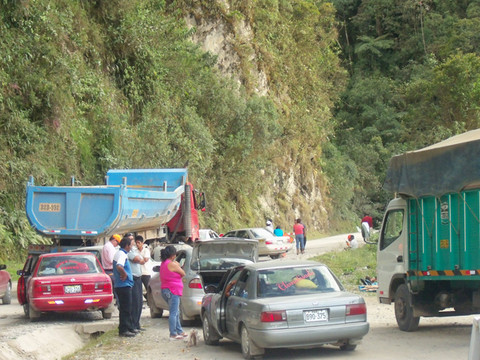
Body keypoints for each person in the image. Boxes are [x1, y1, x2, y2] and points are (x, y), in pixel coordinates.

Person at [160, 245, 187, 341]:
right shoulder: (171, 264)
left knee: (176, 311)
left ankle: (179, 331)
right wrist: (177, 265)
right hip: (173, 290)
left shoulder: (164, 263)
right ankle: (173, 334)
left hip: (167, 290)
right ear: (173, 255)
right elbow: (183, 273)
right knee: (173, 312)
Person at [113, 235, 136, 337]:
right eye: (130, 245)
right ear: (127, 245)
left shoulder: (119, 253)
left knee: (127, 308)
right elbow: (119, 266)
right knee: (125, 308)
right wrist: (124, 274)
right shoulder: (122, 254)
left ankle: (129, 327)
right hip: (123, 285)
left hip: (122, 285)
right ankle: (124, 329)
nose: (131, 247)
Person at [127, 233, 146, 332]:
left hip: (139, 277)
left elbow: (143, 260)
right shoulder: (128, 252)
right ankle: (133, 325)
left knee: (139, 302)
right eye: (130, 239)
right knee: (134, 302)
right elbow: (137, 259)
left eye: (132, 239)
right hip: (133, 277)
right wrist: (140, 259)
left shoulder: (134, 250)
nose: (132, 242)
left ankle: (137, 324)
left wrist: (140, 259)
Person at [102, 234, 121, 304]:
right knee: (117, 290)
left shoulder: (106, 246)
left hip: (107, 270)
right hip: (111, 270)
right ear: (114, 240)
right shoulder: (110, 247)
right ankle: (119, 305)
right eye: (117, 243)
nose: (117, 245)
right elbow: (111, 260)